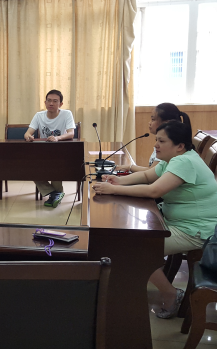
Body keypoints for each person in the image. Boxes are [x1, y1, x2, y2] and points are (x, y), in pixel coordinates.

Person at [93, 121, 217, 319]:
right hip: (176, 222)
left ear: (180, 145)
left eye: (161, 141)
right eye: (156, 140)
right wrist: (118, 180)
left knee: (133, 249)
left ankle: (171, 294)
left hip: (196, 231)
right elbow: (146, 176)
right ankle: (130, 284)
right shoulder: (173, 159)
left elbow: (154, 190)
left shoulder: (184, 162)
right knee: (128, 239)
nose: (155, 145)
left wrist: (114, 189)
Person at [24, 90, 76, 208]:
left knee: (55, 165)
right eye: (49, 100)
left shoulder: (66, 114)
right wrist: (29, 137)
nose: (51, 103)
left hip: (61, 150)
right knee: (29, 168)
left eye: (55, 101)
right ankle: (55, 194)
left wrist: (57, 138)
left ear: (60, 104)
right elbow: (27, 133)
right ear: (45, 102)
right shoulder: (39, 115)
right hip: (43, 151)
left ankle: (54, 195)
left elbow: (71, 133)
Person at [117, 103, 192, 173]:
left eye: (153, 119)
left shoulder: (167, 149)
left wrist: (129, 167)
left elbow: (151, 172)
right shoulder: (161, 145)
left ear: (166, 123)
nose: (149, 123)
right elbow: (149, 174)